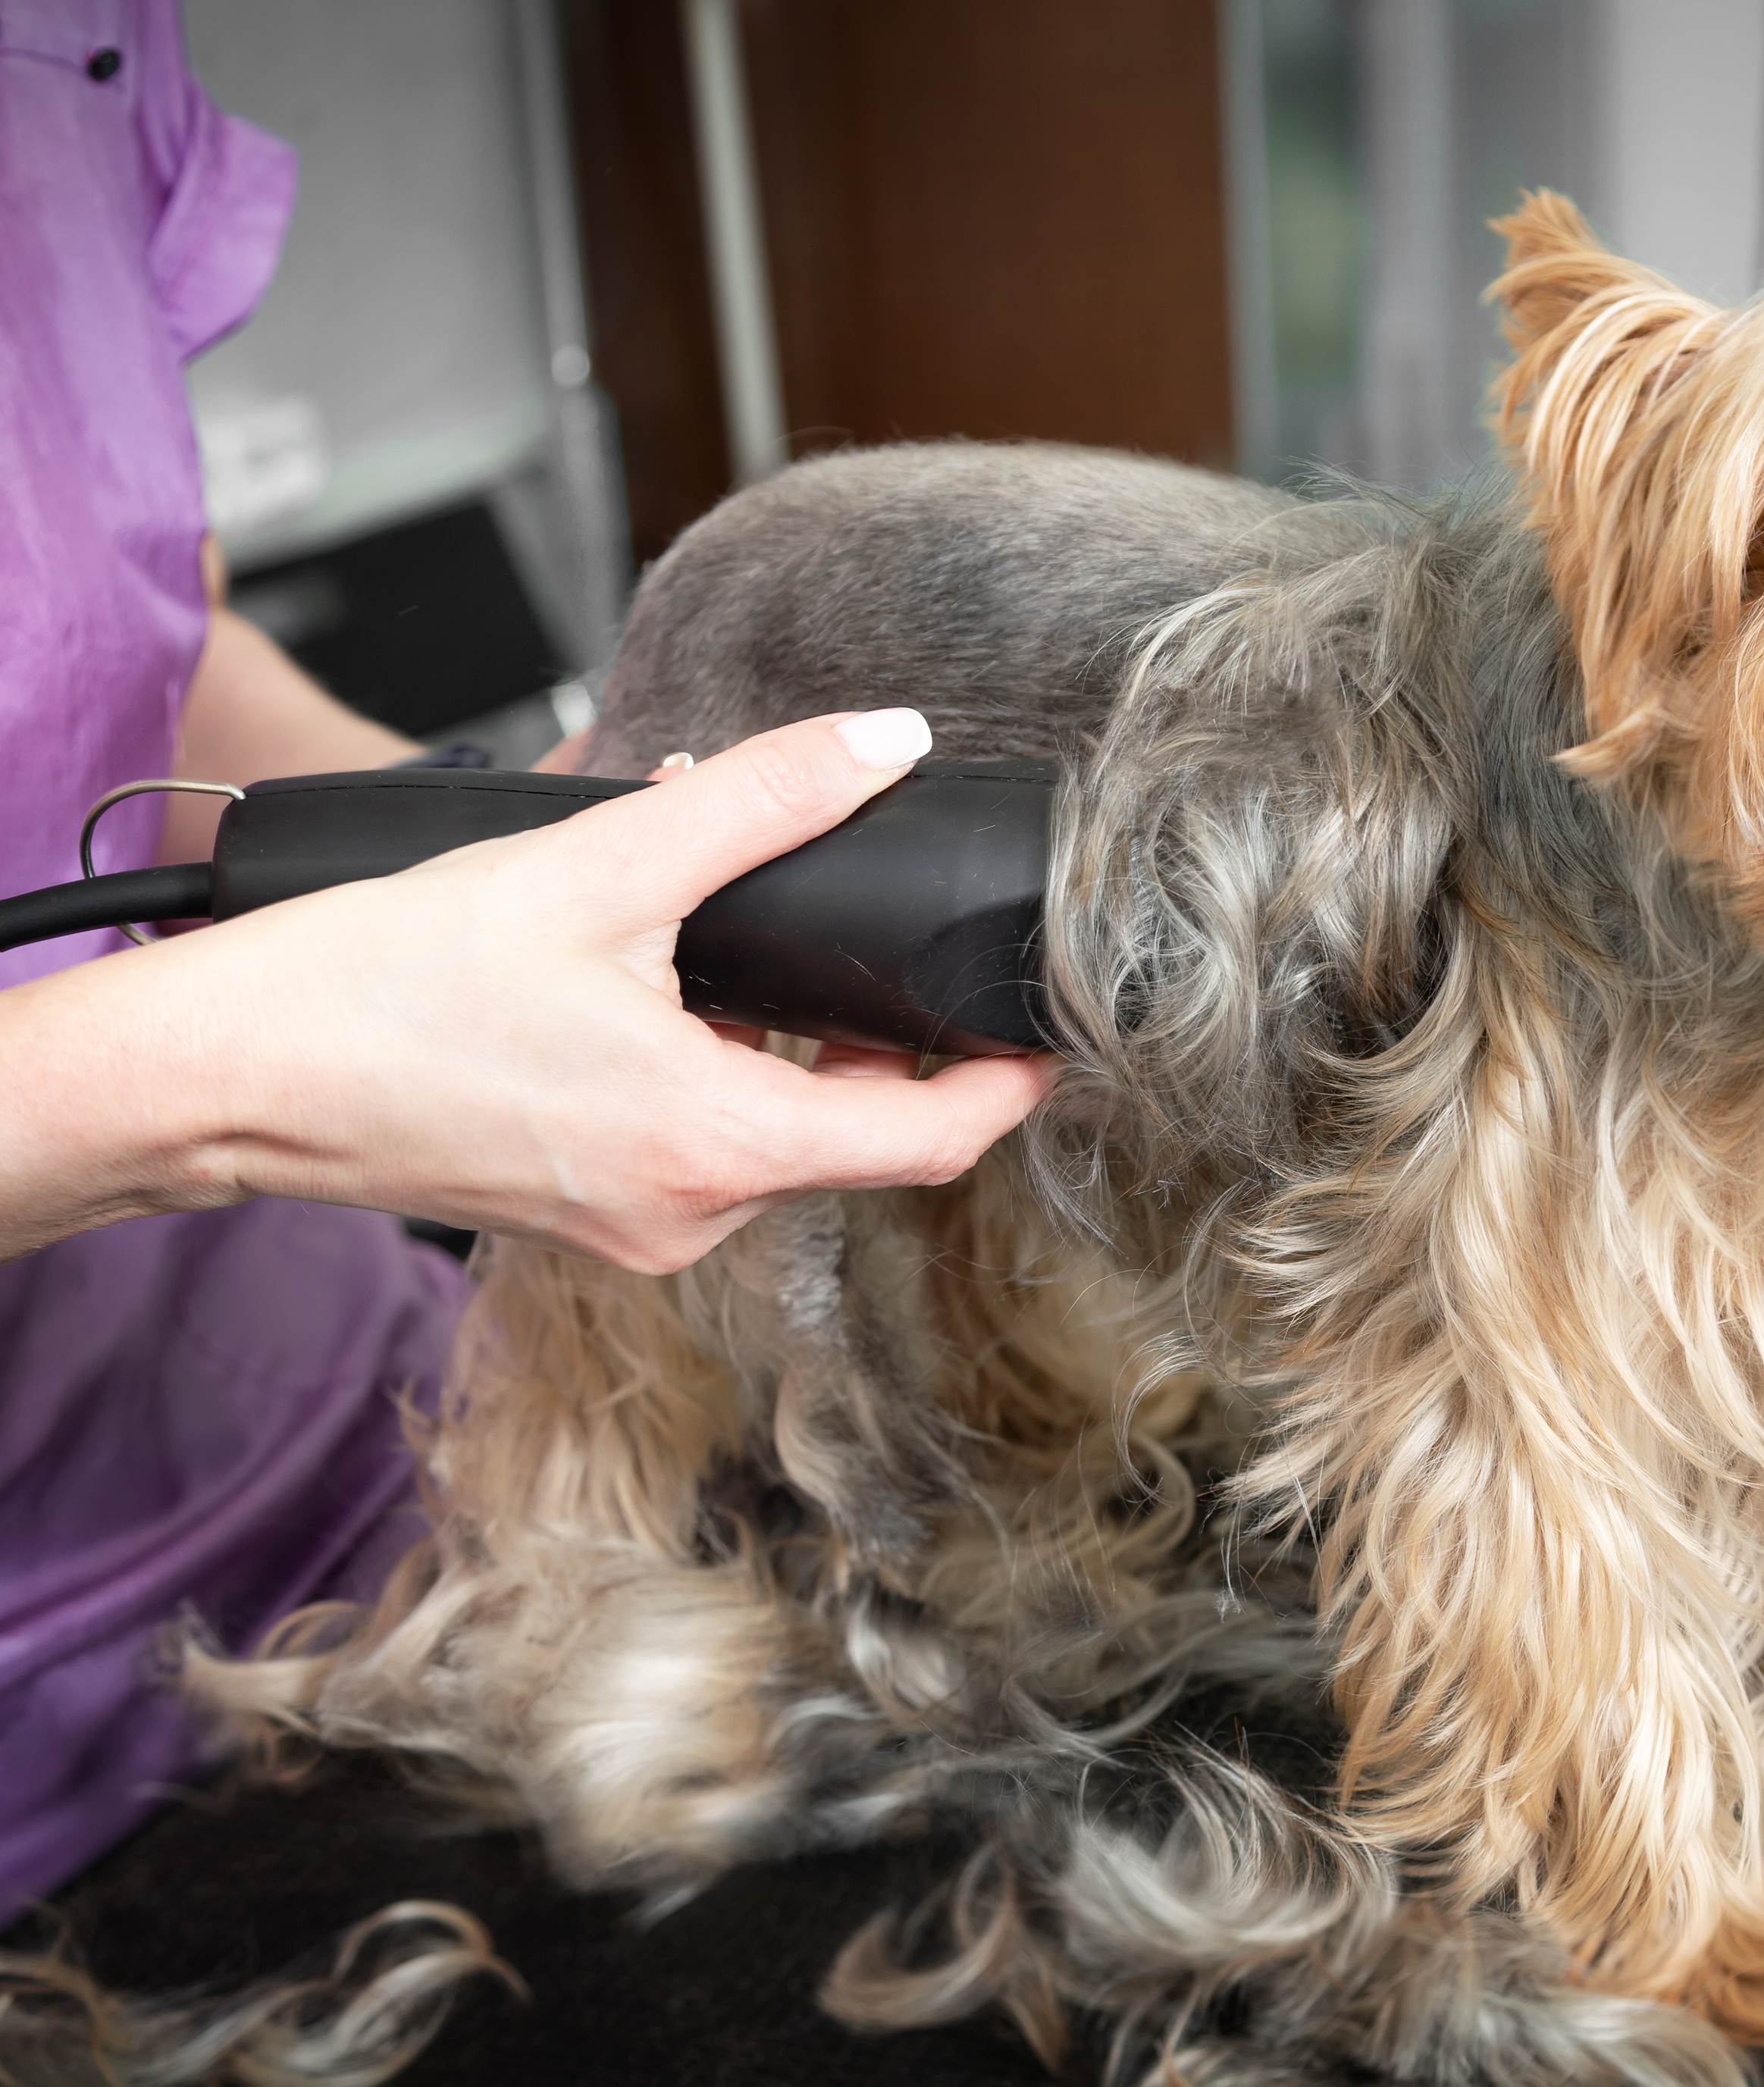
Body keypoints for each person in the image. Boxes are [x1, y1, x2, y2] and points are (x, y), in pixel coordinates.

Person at [0, 2, 1050, 1912]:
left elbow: (120, 667)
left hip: (349, 1462)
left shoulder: (69, 43)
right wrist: (230, 1081)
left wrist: (528, 835)